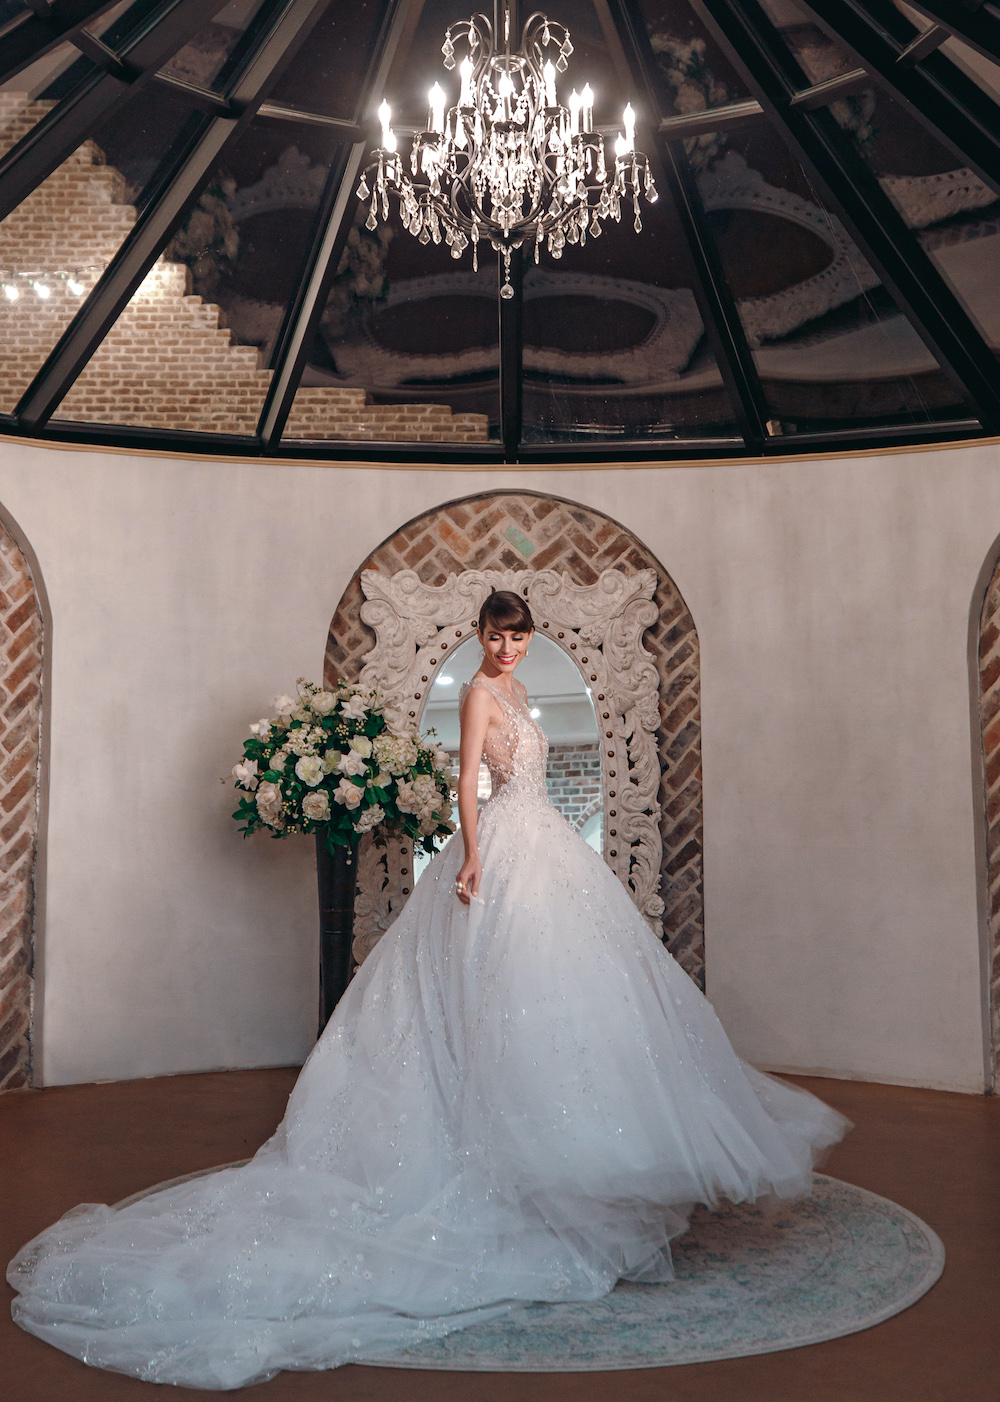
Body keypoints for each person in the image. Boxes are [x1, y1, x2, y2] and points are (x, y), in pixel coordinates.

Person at [8, 589, 847, 1391]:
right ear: (480, 636)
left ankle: (573, 1145)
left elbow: (531, 781)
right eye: (496, 635)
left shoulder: (519, 686)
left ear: (529, 639)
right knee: (494, 992)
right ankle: (504, 1147)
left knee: (571, 996)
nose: (507, 648)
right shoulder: (483, 694)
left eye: (518, 637)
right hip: (503, 849)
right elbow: (466, 785)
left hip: (549, 846)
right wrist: (473, 858)